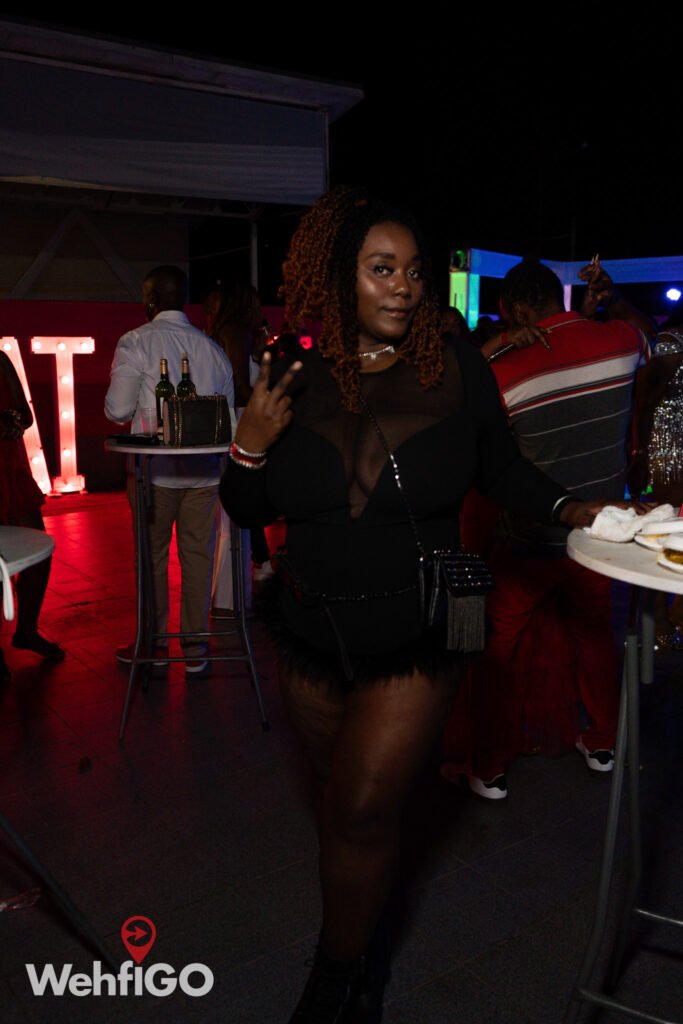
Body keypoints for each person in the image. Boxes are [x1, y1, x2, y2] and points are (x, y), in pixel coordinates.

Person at [218, 187, 622, 1024]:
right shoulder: (292, 373)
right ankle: (361, 929)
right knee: (343, 803)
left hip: (419, 628)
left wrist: (569, 506)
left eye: (412, 271)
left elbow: (500, 468)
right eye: (381, 269)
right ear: (339, 277)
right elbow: (248, 507)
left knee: (362, 807)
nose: (403, 287)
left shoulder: (454, 366)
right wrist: (247, 448)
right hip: (310, 627)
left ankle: (339, 978)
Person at [443, 256, 652, 800]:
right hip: (599, 538)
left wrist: (495, 346)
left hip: (531, 538)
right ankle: (602, 743)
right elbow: (647, 335)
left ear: (514, 309)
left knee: (498, 646)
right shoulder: (619, 341)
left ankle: (490, 767)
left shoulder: (503, 373)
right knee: (595, 634)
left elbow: (448, 406)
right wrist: (612, 301)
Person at [105, 265, 234, 677]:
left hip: (154, 474)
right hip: (205, 473)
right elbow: (227, 420)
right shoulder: (213, 349)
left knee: (152, 558)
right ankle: (195, 649)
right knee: (198, 557)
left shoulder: (136, 341)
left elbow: (117, 410)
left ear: (149, 300)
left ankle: (156, 646)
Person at [0, 351, 64, 682]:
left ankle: (26, 630)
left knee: (38, 551)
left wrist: (15, 421)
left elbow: (26, 415)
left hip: (11, 471)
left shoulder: (1, 360)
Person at [628, 309, 683, 645]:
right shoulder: (668, 343)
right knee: (665, 533)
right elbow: (643, 402)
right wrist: (638, 452)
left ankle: (677, 614)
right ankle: (659, 617)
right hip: (668, 450)